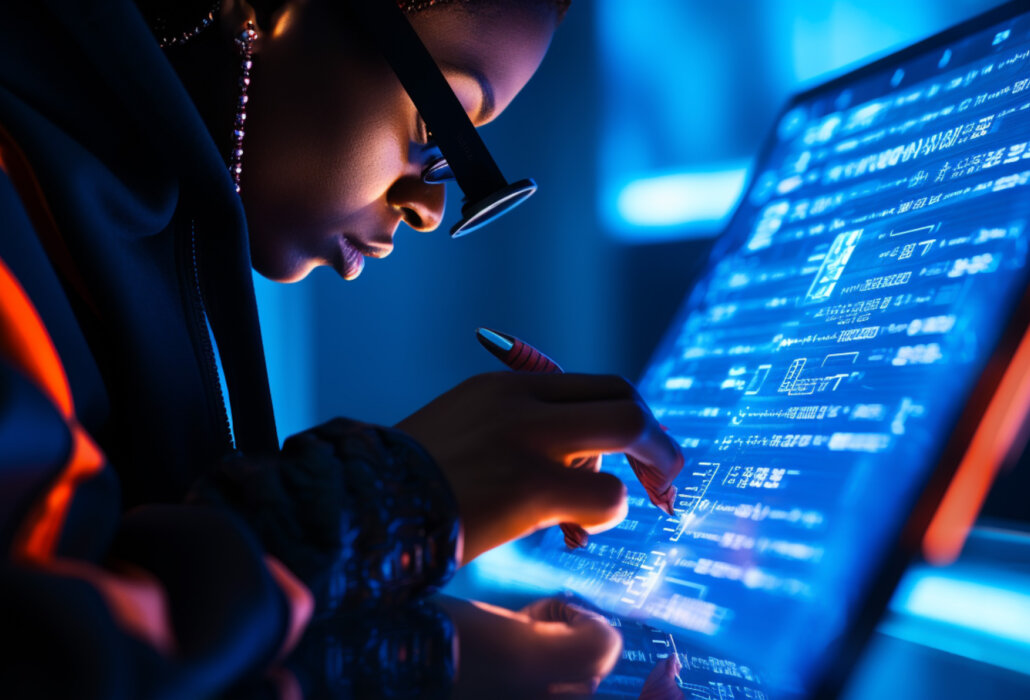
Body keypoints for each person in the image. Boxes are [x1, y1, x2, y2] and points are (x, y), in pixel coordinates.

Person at [0, 0, 684, 695]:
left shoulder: (119, 219)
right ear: (262, 12)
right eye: (435, 126)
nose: (431, 206)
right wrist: (382, 502)